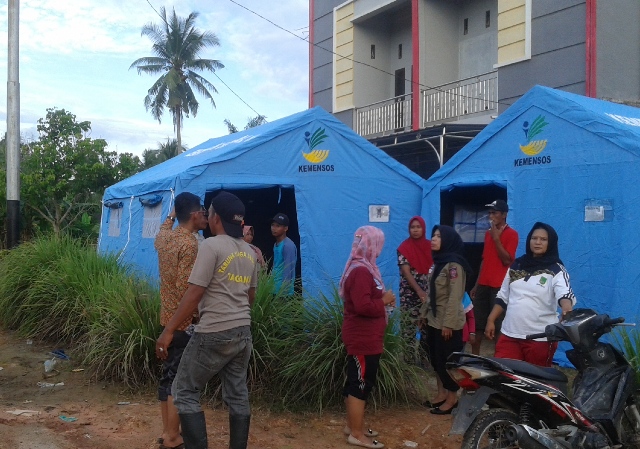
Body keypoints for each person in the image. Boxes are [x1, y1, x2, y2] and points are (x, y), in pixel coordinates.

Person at [156, 191, 258, 449]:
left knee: (184, 390)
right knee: (237, 394)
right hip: (242, 331)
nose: (207, 215)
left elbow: (194, 291)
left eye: (209, 212)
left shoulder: (210, 246)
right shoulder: (249, 252)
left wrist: (169, 330)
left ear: (216, 219)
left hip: (213, 331)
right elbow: (251, 295)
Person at [154, 192, 208, 449]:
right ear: (195, 214)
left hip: (166, 320)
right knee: (180, 381)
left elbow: (163, 229)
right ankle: (173, 436)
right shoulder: (192, 244)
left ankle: (167, 432)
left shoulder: (164, 238)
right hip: (183, 324)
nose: (205, 216)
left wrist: (171, 215)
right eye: (203, 212)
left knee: (167, 377)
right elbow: (188, 288)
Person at [485, 222, 576, 367]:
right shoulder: (517, 265)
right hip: (510, 335)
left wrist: (566, 309)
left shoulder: (557, 270)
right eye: (534, 238)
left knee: (536, 380)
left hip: (540, 338)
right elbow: (503, 296)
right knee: (505, 377)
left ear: (551, 243)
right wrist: (491, 320)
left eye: (543, 239)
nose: (538, 242)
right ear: (529, 240)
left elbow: (564, 294)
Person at [340, 226, 395, 449]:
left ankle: (353, 426)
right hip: (363, 338)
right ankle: (356, 433)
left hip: (366, 336)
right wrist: (383, 301)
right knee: (360, 384)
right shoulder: (361, 271)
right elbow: (362, 305)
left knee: (357, 381)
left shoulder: (362, 268)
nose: (380, 250)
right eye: (378, 245)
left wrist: (382, 298)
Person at [420, 225, 473, 415]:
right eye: (433, 235)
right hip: (434, 320)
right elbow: (431, 293)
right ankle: (441, 394)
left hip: (447, 323)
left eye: (438, 236)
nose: (433, 239)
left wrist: (448, 323)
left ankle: (452, 399)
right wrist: (423, 315)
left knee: (447, 362)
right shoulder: (439, 263)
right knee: (435, 359)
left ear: (448, 240)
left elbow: (454, 296)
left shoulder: (454, 265)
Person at [469, 200, 518, 356]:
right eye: (490, 213)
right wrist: (476, 284)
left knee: (498, 326)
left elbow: (506, 260)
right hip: (484, 284)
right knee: (477, 325)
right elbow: (484, 260)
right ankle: (475, 359)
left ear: (504, 215)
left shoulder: (512, 234)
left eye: (494, 213)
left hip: (499, 286)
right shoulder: (487, 234)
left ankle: (498, 362)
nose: (491, 216)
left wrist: (497, 238)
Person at [397, 216, 433, 354]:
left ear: (423, 228)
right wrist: (419, 291)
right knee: (408, 326)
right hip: (409, 294)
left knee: (427, 326)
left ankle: (425, 359)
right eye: (413, 227)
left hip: (428, 294)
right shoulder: (404, 248)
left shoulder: (430, 247)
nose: (415, 230)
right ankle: (408, 361)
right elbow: (406, 272)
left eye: (418, 227)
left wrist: (428, 292)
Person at [270, 213, 297, 296]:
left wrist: (283, 291)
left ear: (285, 228)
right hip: (273, 288)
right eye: (272, 225)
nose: (274, 228)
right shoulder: (276, 244)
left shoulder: (288, 245)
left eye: (278, 226)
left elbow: (288, 270)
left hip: (283, 292)